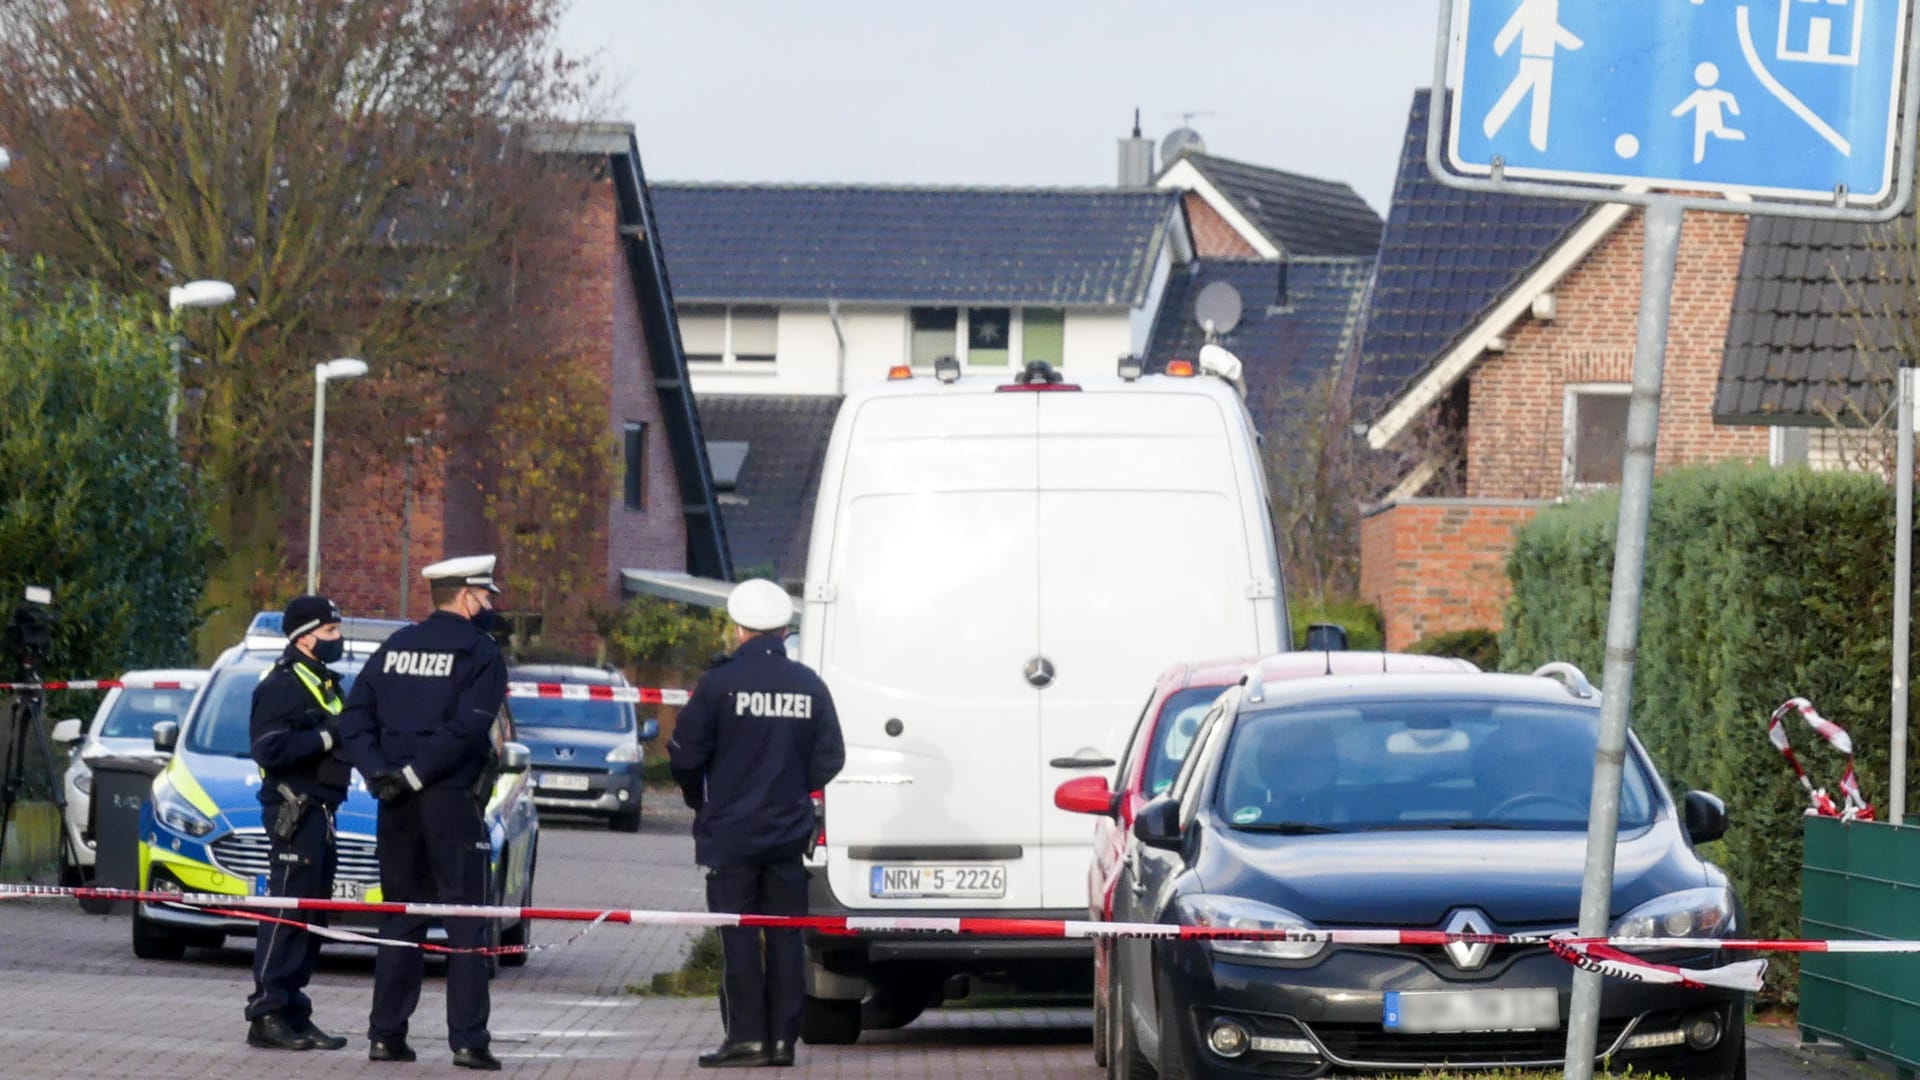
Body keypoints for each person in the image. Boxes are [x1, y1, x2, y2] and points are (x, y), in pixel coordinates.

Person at [339, 554, 508, 1072]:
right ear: (465, 596)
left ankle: (386, 1036)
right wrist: (414, 775)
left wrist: (379, 774)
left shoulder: (395, 647)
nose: (490, 606)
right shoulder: (480, 653)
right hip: (449, 801)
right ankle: (468, 1041)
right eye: (486, 596)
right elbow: (467, 731)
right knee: (465, 921)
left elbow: (355, 717)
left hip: (395, 805)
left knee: (401, 916)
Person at [670, 579, 845, 1069]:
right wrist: (792, 785)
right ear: (785, 629)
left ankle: (746, 1037)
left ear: (738, 627)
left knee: (739, 934)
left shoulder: (718, 684)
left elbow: (684, 755)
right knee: (787, 934)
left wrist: (700, 799)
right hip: (788, 833)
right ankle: (784, 1041)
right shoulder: (809, 684)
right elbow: (832, 756)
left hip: (731, 833)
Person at [244, 595, 353, 1052]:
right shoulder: (282, 684)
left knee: (311, 915)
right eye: (330, 632)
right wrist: (326, 735)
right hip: (295, 810)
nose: (338, 639)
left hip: (322, 813)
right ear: (305, 637)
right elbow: (268, 749)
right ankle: (266, 1012)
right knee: (287, 912)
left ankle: (293, 1011)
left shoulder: (323, 681)